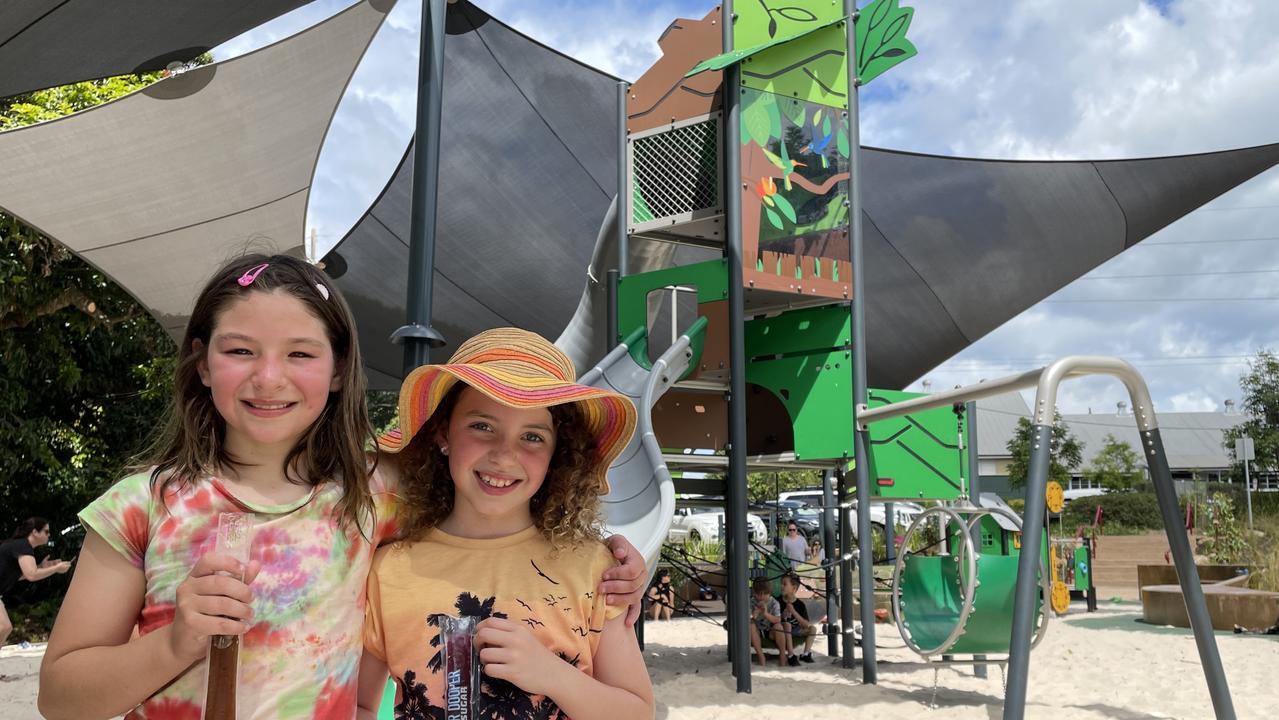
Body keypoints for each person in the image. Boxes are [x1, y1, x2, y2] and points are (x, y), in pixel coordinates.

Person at [38, 256, 647, 720]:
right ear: (202, 363)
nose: (268, 377)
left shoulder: (377, 493)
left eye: (300, 353)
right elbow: (60, 698)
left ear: (336, 371)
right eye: (240, 350)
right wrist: (175, 644)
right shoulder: (141, 506)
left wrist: (617, 565)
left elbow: (497, 504)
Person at [356, 328, 654, 720]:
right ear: (444, 433)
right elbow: (359, 704)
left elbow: (638, 712)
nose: (504, 454)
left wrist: (551, 674)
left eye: (532, 436)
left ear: (556, 454)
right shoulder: (386, 571)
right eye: (482, 426)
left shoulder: (595, 570)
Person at [0, 517, 72, 644]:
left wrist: (41, 567)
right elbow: (31, 575)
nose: (49, 535)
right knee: (4, 627)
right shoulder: (23, 546)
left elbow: (19, 575)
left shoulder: (20, 545)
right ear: (34, 532)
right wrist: (56, 568)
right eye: (46, 531)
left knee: (5, 627)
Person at [748, 576, 791, 667]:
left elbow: (777, 619)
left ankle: (782, 655)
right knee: (750, 625)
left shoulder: (774, 602)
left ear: (769, 593)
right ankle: (761, 656)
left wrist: (766, 613)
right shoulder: (752, 602)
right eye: (759, 594)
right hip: (757, 631)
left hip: (771, 630)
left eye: (765, 594)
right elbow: (748, 618)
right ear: (754, 593)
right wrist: (754, 615)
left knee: (779, 626)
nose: (762, 597)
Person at [777, 572, 817, 663]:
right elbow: (774, 620)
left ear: (794, 588)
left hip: (796, 630)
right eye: (781, 583)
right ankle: (791, 654)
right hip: (782, 630)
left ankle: (806, 654)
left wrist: (793, 612)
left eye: (784, 584)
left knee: (813, 628)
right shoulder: (778, 601)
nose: (781, 586)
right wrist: (783, 615)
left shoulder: (800, 605)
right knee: (787, 625)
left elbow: (806, 624)